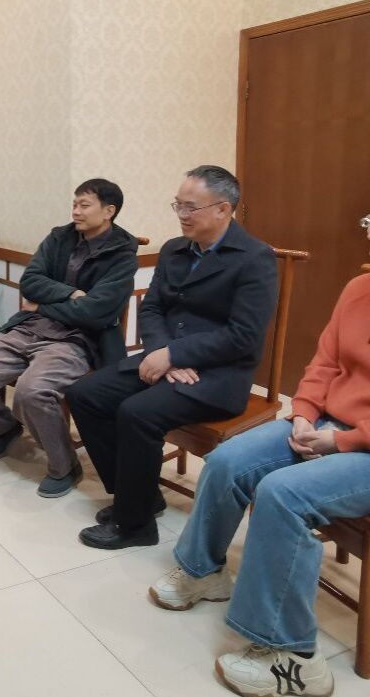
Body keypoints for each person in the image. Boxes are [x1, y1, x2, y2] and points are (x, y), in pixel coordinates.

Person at [149, 181, 370, 697]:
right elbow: (326, 361)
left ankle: (293, 658)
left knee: (283, 494)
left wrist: (343, 440)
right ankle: (203, 572)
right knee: (229, 459)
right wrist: (305, 414)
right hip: (333, 424)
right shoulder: (362, 287)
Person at [67, 165, 277, 549]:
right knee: (85, 394)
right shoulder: (174, 249)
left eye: (190, 207)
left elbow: (243, 336)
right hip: (168, 358)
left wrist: (175, 354)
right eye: (178, 205)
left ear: (223, 209)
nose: (182, 214)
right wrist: (164, 353)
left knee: (136, 413)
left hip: (219, 375)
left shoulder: (254, 258)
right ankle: (140, 496)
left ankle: (136, 526)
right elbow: (152, 308)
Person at [0, 178, 138, 497]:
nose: (75, 211)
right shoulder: (59, 237)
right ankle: (4, 428)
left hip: (77, 339)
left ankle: (65, 465)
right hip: (31, 326)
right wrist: (71, 294)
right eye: (74, 204)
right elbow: (30, 281)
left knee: (32, 391)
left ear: (108, 211)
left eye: (84, 205)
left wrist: (42, 305)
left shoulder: (123, 255)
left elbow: (96, 313)